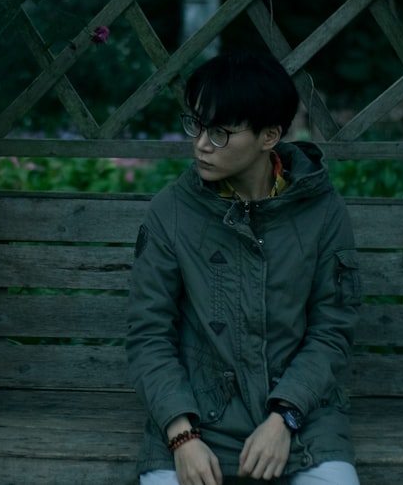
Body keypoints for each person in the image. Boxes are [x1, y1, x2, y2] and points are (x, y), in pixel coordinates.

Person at [126, 50, 362, 485]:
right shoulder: (170, 213)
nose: (200, 143)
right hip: (195, 420)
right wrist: (181, 436)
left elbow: (331, 330)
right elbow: (149, 335)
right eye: (195, 125)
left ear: (269, 136)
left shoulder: (323, 212)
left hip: (302, 420)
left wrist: (284, 418)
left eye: (219, 133)